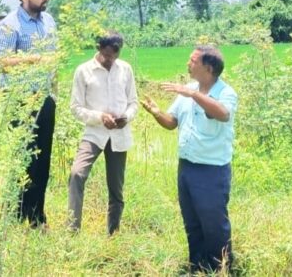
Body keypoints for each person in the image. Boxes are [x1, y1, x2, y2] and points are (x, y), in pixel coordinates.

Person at [141, 45, 237, 273]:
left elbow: (223, 114)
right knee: (192, 220)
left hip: (212, 170)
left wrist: (194, 94)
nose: (188, 64)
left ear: (209, 68)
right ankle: (198, 265)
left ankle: (220, 268)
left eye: (193, 61)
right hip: (186, 167)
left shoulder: (226, 93)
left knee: (213, 223)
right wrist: (156, 113)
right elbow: (171, 122)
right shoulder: (188, 90)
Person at [0, 0, 57, 228]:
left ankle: (36, 216)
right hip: (19, 100)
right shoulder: (9, 25)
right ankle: (16, 213)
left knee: (43, 160)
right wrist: (34, 59)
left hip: (45, 98)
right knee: (23, 159)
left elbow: (55, 61)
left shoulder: (49, 21)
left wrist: (55, 92)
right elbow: (1, 63)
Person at [68, 32, 137, 235]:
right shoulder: (84, 71)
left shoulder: (125, 69)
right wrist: (100, 117)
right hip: (94, 134)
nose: (110, 60)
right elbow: (76, 107)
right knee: (77, 174)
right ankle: (72, 230)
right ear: (99, 49)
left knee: (116, 188)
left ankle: (113, 234)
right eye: (107, 55)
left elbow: (133, 102)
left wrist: (126, 117)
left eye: (115, 56)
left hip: (119, 135)